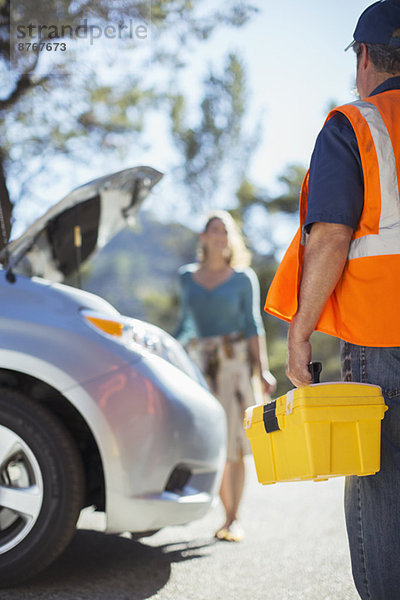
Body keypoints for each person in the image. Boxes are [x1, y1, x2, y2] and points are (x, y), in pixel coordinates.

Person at [264, 1, 400, 598]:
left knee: (383, 488)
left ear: (364, 57)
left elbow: (332, 237)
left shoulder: (355, 123)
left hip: (381, 338)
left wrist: (300, 333)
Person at [176, 210, 276, 542]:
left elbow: (252, 325)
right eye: (213, 230)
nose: (219, 236)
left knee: (234, 444)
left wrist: (263, 371)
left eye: (225, 231)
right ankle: (224, 514)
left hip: (234, 365)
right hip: (200, 366)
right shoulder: (186, 277)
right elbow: (185, 325)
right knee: (214, 444)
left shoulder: (243, 278)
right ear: (203, 237)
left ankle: (234, 519)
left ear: (231, 239)